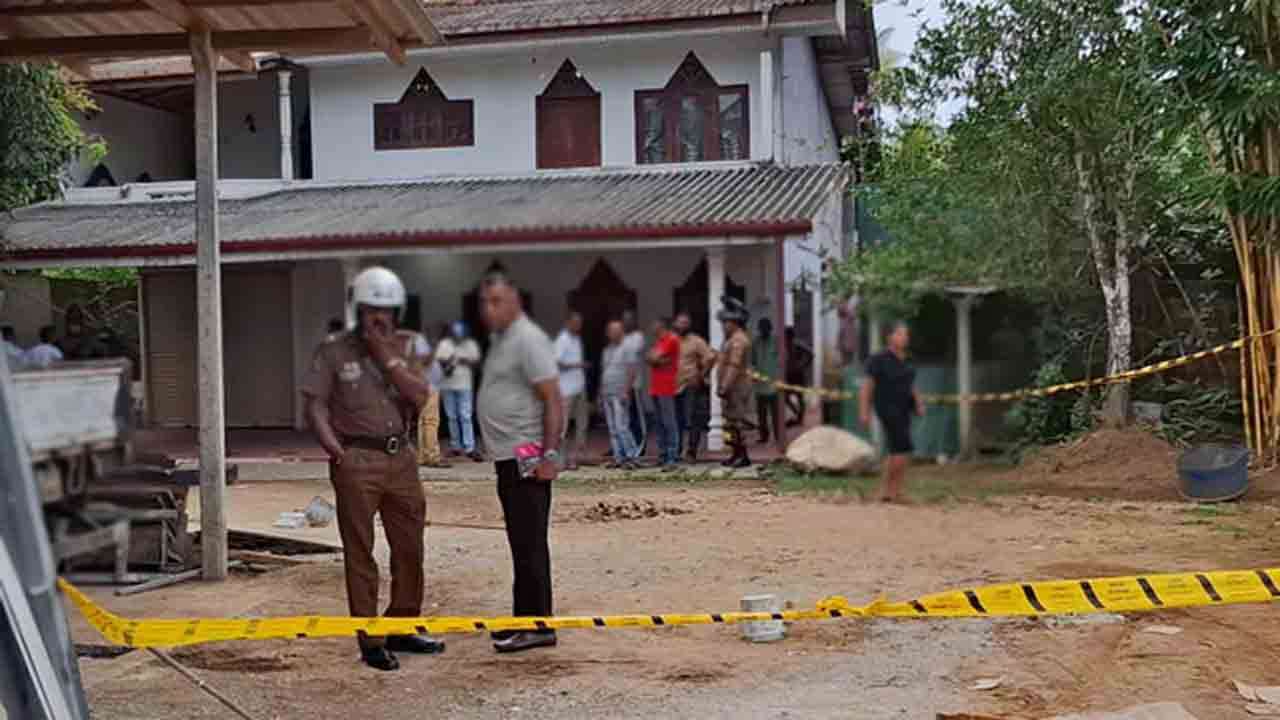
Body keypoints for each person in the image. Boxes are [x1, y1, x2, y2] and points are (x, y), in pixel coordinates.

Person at [300, 266, 445, 671]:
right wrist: (336, 452)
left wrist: (386, 355)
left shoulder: (408, 346)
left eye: (386, 311)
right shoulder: (333, 351)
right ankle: (370, 637)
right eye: (371, 311)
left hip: (401, 459)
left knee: (410, 547)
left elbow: (419, 395)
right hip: (356, 459)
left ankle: (404, 623)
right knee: (360, 552)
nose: (379, 318)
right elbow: (315, 406)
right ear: (358, 310)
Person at [476, 270, 563, 654]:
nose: (489, 309)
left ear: (516, 303)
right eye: (486, 302)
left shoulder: (529, 339)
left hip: (526, 455)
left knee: (530, 541)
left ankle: (539, 625)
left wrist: (550, 454)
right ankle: (522, 619)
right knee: (519, 540)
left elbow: (553, 399)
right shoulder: (503, 340)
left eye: (497, 301)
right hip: (508, 456)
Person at [860, 322, 925, 504]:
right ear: (890, 337)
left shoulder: (907, 359)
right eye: (900, 334)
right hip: (887, 407)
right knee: (901, 446)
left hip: (905, 407)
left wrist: (918, 403)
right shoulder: (879, 359)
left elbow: (911, 384)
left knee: (899, 449)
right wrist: (864, 411)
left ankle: (892, 491)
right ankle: (890, 490)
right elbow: (867, 387)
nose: (904, 338)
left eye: (906, 335)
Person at [716, 297, 754, 468]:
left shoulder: (738, 340)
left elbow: (734, 366)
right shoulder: (732, 339)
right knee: (730, 422)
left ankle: (742, 455)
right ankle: (735, 454)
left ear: (735, 323)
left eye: (726, 322)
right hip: (732, 388)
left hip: (737, 387)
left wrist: (725, 385)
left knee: (738, 422)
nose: (724, 326)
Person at [436, 321, 483, 462]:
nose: (458, 338)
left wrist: (465, 360)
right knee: (451, 416)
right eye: (455, 335)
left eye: (460, 335)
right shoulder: (444, 344)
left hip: (465, 385)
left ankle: (469, 448)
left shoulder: (470, 344)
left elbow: (477, 363)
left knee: (466, 416)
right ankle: (455, 447)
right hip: (447, 385)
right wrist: (449, 360)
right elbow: (439, 361)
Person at [673, 312, 714, 462]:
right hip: (672, 387)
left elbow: (710, 357)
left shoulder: (696, 341)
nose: (682, 325)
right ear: (675, 324)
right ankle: (675, 451)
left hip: (690, 385)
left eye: (685, 323)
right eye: (680, 322)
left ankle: (691, 451)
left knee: (691, 420)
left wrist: (701, 375)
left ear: (689, 325)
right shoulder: (671, 340)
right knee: (675, 420)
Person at [599, 319, 640, 470]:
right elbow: (604, 371)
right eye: (610, 331)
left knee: (622, 426)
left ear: (621, 331)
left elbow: (632, 370)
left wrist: (626, 391)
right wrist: (600, 392)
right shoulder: (607, 349)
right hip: (607, 392)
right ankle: (619, 457)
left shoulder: (628, 347)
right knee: (612, 428)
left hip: (619, 393)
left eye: (615, 331)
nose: (612, 334)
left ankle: (632, 457)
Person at [408, 324, 448, 469]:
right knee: (431, 421)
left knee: (424, 422)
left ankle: (423, 456)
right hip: (428, 387)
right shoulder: (420, 341)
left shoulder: (417, 341)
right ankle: (432, 456)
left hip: (426, 386)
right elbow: (423, 361)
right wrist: (434, 350)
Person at [554, 311, 590, 470]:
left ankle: (574, 459)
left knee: (582, 425)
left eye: (580, 323)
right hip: (566, 390)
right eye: (576, 322)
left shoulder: (577, 339)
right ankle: (560, 461)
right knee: (563, 427)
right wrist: (578, 365)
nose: (579, 326)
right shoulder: (562, 339)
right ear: (568, 322)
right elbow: (556, 363)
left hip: (579, 388)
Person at [645, 317, 682, 470]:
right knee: (659, 423)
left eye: (654, 324)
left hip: (666, 387)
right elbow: (649, 358)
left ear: (661, 325)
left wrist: (656, 359)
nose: (652, 327)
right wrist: (656, 359)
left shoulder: (671, 339)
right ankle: (663, 455)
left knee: (669, 422)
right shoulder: (659, 341)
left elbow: (653, 357)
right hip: (655, 386)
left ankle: (672, 458)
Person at [620, 310, 648, 458]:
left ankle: (640, 445)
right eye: (624, 319)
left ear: (634, 321)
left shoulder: (638, 337)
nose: (626, 322)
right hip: (620, 384)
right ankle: (624, 446)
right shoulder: (622, 338)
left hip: (634, 384)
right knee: (623, 419)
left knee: (636, 417)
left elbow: (630, 355)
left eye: (629, 319)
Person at [752, 318, 780, 445]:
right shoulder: (755, 342)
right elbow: (752, 361)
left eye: (766, 329)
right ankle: (764, 436)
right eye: (761, 329)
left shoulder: (776, 341)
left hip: (774, 384)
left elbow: (782, 360)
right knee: (761, 414)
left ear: (770, 329)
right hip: (759, 385)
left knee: (776, 414)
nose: (763, 331)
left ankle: (779, 436)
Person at [783, 327, 815, 426]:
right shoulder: (783, 345)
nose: (787, 338)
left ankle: (800, 419)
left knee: (800, 397)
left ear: (791, 336)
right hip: (788, 375)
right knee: (785, 397)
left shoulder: (797, 344)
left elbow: (811, 354)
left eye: (788, 336)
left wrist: (803, 365)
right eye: (786, 336)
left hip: (798, 374)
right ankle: (797, 414)